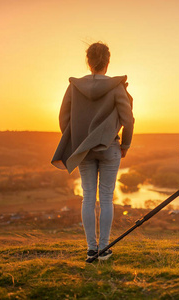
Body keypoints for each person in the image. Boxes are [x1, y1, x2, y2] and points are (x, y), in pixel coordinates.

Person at [51, 42, 134, 261]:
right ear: (107, 62)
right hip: (110, 148)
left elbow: (63, 118)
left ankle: (91, 248)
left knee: (88, 197)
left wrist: (77, 140)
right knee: (106, 198)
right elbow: (128, 119)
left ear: (89, 62)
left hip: (84, 148)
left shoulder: (74, 86)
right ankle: (104, 249)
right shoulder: (117, 86)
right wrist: (125, 145)